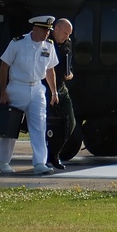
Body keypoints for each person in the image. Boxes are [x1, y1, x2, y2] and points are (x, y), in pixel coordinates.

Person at [0, 15, 59, 175]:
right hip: (17, 87)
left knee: (39, 127)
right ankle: (2, 160)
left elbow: (50, 70)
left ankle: (40, 163)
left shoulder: (49, 46)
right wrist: (2, 92)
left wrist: (54, 92)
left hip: (37, 88)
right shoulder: (18, 43)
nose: (47, 33)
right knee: (11, 127)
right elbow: (4, 67)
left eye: (49, 30)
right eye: (44, 30)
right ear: (35, 28)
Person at [47, 18, 75, 170]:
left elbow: (69, 64)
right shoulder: (46, 43)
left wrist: (69, 74)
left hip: (62, 88)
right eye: (65, 33)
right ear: (55, 29)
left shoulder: (67, 44)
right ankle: (47, 157)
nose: (67, 36)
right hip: (47, 88)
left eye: (69, 34)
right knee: (49, 125)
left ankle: (55, 154)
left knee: (70, 123)